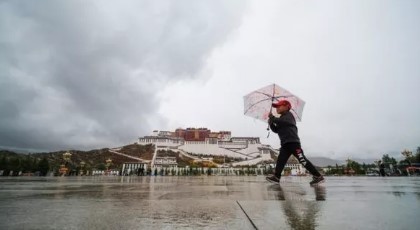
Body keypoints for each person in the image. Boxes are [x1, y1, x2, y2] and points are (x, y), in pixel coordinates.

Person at [266, 100, 325, 186]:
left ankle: (318, 176)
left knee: (302, 160)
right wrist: (271, 124)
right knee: (280, 161)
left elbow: (283, 122)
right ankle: (276, 177)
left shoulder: (289, 116)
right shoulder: (281, 118)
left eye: (279, 106)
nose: (277, 108)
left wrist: (272, 118)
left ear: (286, 107)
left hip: (294, 143)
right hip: (285, 144)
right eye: (276, 107)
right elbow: (276, 130)